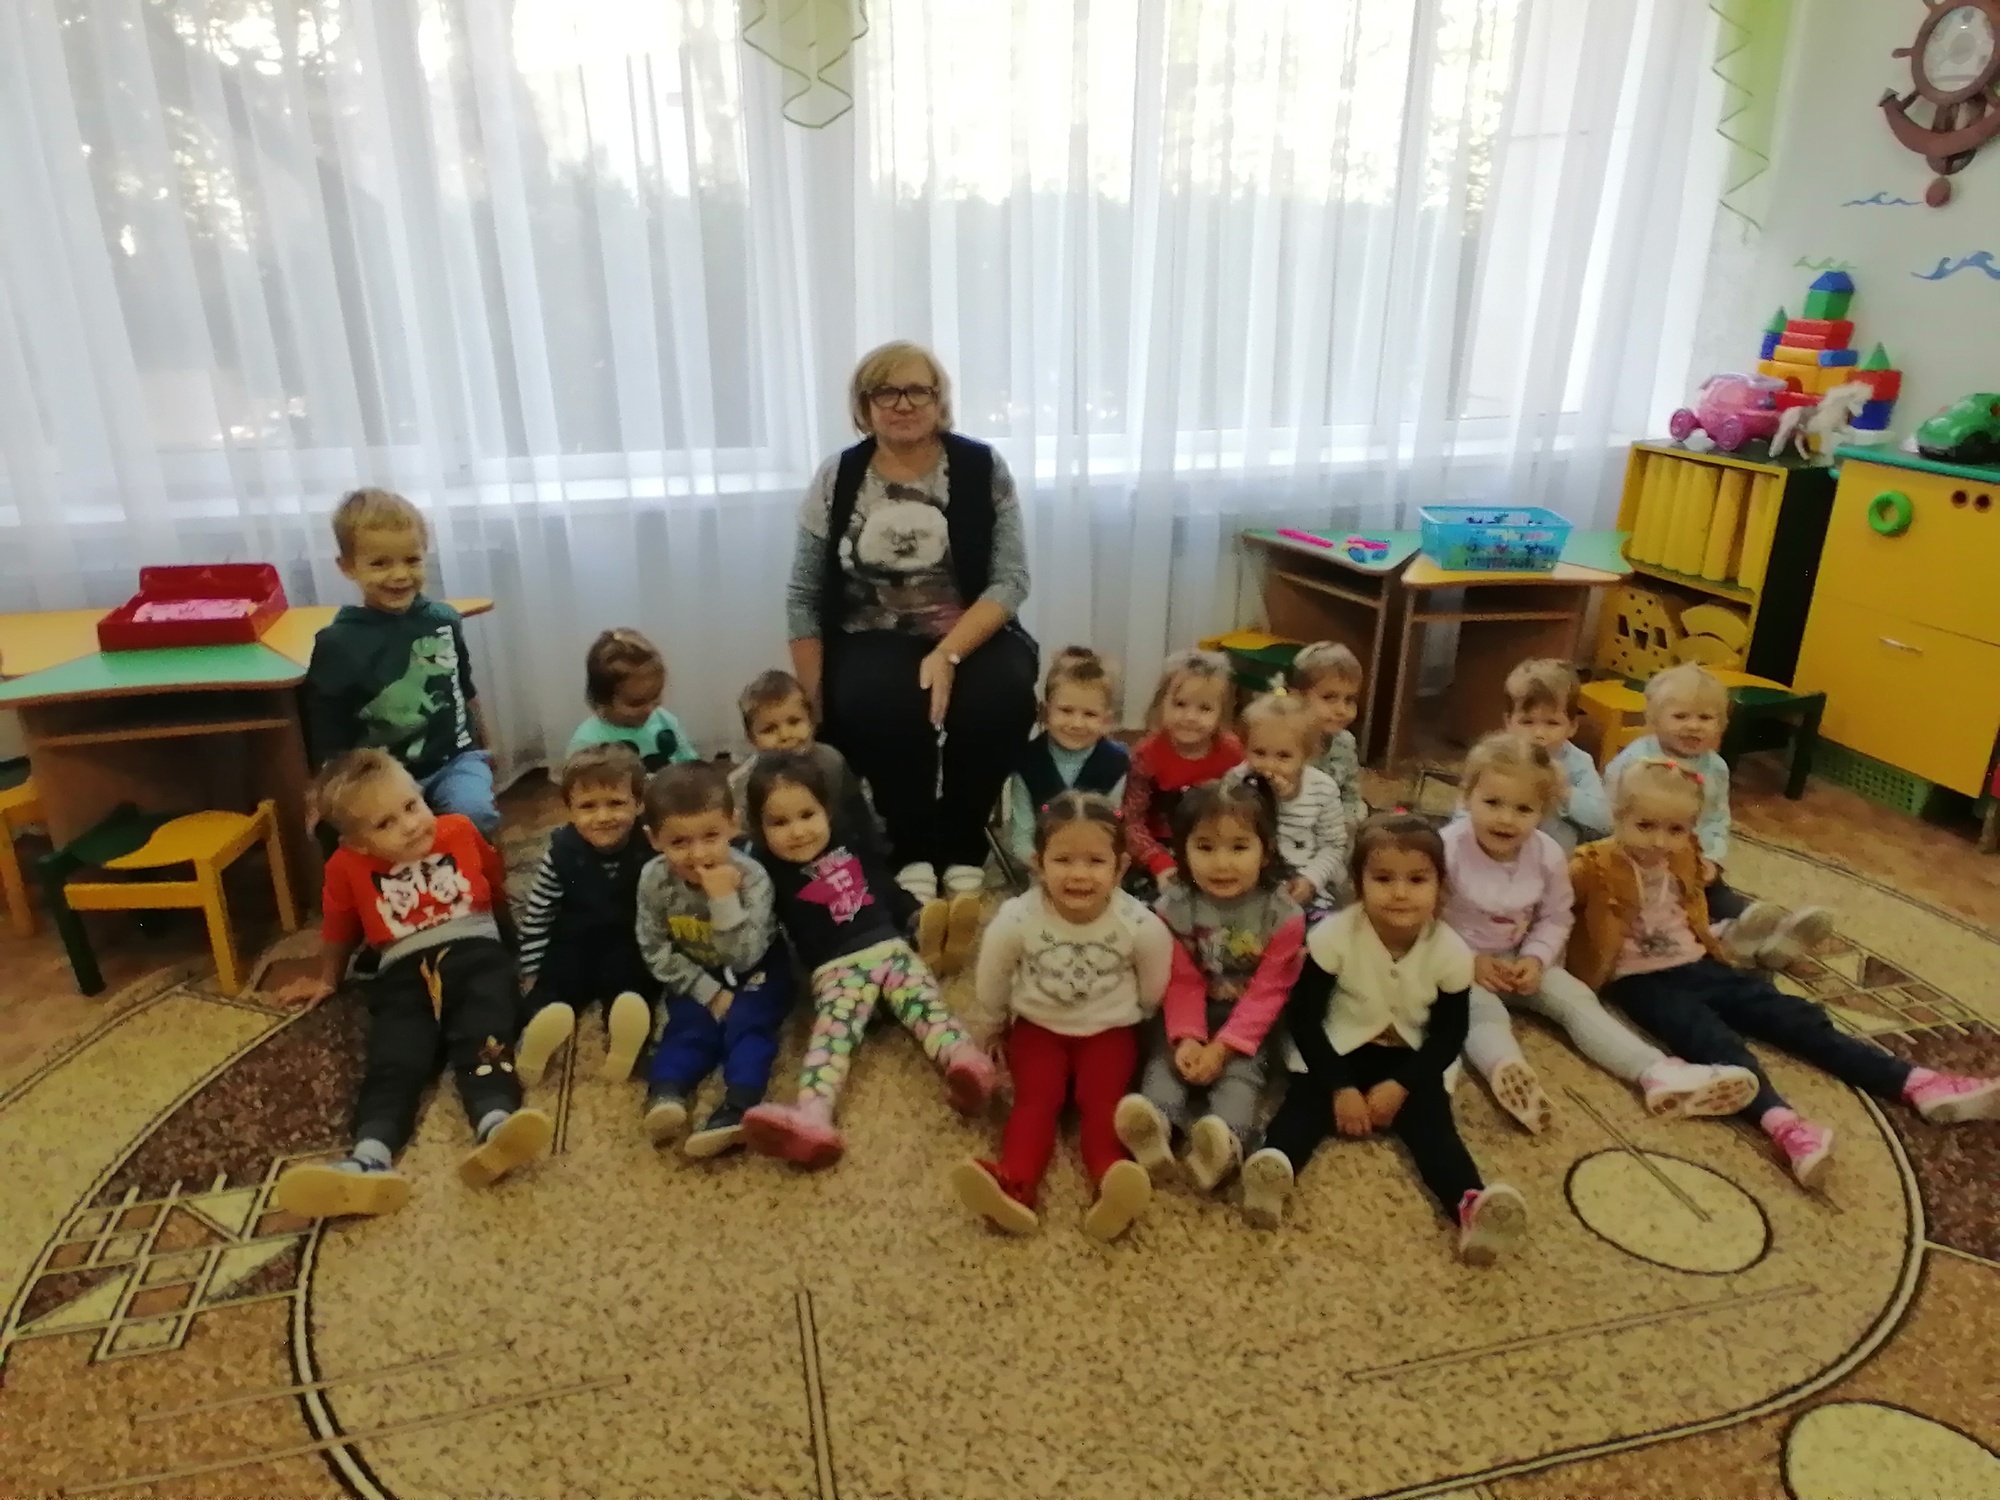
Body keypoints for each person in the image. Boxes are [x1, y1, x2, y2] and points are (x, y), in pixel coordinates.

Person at [1572, 759, 2000, 1187]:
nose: (1659, 841)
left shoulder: (1684, 855)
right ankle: (1785, 1126)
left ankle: (1915, 1082)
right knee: (1712, 1042)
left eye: (1675, 829)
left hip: (1699, 961)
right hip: (1642, 982)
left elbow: (1694, 905)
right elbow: (1554, 909)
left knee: (1794, 1017)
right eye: (1645, 826)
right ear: (1618, 816)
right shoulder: (1591, 864)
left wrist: (1716, 938)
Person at [783, 341, 1038, 909]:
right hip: (868, 632)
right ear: (864, 405)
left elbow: (1011, 580)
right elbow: (803, 595)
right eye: (886, 392)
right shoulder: (837, 476)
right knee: (877, 698)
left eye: (918, 390)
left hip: (968, 626)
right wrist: (813, 701)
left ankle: (963, 838)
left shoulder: (981, 467)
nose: (903, 404)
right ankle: (911, 845)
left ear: (939, 399)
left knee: (1002, 692)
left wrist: (947, 653)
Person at [270, 750, 552, 1219]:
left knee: (485, 1035)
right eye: (385, 824)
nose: (409, 825)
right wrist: (327, 978)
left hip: (477, 954)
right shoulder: (344, 866)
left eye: (411, 805)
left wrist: (514, 947)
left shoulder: (459, 830)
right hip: (402, 971)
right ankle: (368, 1157)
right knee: (395, 1059)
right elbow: (339, 927)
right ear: (357, 843)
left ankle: (495, 1123)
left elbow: (493, 883)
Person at [1246, 815, 1528, 1264]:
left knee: (1435, 1129)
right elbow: (1304, 1019)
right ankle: (1271, 1171)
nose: (1400, 892)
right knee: (1302, 1107)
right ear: (1359, 884)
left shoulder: (1452, 952)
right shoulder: (1334, 936)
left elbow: (1449, 1033)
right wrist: (1340, 1087)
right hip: (1336, 1047)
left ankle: (1470, 1205)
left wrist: (1402, 1085)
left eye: (1417, 880)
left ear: (1440, 886)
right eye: (1383, 879)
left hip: (1410, 1057)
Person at [1444, 733, 1756, 1134]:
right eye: (1492, 803)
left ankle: (1656, 1072)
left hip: (1523, 959)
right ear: (1467, 796)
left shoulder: (1547, 854)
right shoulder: (1447, 849)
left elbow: (1555, 917)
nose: (1506, 818)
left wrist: (1536, 958)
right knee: (1479, 1013)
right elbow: (1424, 920)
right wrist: (1468, 962)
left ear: (1544, 811)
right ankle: (1508, 1071)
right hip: (1460, 964)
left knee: (1578, 1000)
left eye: (1523, 808)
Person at [738, 750, 996, 1168]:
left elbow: (885, 888)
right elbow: (760, 932)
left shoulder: (849, 844)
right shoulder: (765, 871)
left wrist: (917, 913)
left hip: (890, 947)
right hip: (836, 969)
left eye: (807, 815)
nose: (798, 831)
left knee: (927, 1006)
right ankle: (812, 1116)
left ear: (827, 811)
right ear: (758, 827)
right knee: (831, 1037)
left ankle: (965, 1061)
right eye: (778, 823)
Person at [954, 793, 1171, 1241]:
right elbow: (993, 974)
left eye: (1095, 861)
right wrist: (992, 1024)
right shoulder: (1017, 919)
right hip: (1038, 1030)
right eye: (1063, 860)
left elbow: (1154, 982)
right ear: (1038, 863)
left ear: (1121, 867)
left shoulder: (1139, 923)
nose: (1078, 874)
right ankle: (1014, 1184)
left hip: (1110, 1033)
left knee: (1103, 1105)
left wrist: (1144, 1022)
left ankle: (1111, 1182)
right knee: (1035, 1103)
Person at [1114, 776, 1305, 1195]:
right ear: (1181, 851)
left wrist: (1222, 1048)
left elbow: (1268, 992)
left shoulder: (1283, 915)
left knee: (1241, 1079)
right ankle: (1156, 1128)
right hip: (1190, 1009)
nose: (1222, 863)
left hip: (1249, 1021)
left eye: (1238, 847)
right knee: (1163, 1065)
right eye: (1205, 847)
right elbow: (1181, 979)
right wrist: (1187, 1039)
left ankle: (1224, 1143)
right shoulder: (1173, 907)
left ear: (1266, 851)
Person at [1604, 664, 1829, 968]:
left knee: (1719, 894)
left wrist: (1711, 858)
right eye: (1680, 716)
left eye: (1705, 718)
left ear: (1721, 724)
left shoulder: (1715, 767)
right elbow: (1610, 814)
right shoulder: (1634, 762)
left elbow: (1715, 818)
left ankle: (1770, 938)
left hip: (1691, 854)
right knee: (1678, 906)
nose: (1693, 726)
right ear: (1654, 719)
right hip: (1642, 854)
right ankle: (1726, 934)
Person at [305, 488, 499, 839]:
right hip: (380, 779)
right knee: (384, 837)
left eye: (412, 560)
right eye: (380, 563)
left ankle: (476, 874)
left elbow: (465, 689)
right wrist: (323, 789)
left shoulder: (444, 620)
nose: (399, 575)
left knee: (475, 815)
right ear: (347, 567)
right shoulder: (337, 643)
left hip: (454, 761)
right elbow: (326, 728)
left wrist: (485, 745)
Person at [634, 762, 793, 1159]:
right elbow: (654, 948)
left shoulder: (752, 877)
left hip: (757, 967)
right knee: (686, 1025)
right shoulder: (653, 880)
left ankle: (738, 1106)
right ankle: (667, 1094)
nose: (698, 854)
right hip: (695, 969)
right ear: (654, 839)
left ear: (733, 825)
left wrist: (723, 900)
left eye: (710, 836)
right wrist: (707, 992)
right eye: (679, 842)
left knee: (748, 1025)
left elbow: (744, 956)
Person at [512, 745, 658, 1089]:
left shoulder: (651, 846)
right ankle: (533, 1040)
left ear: (639, 804)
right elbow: (538, 914)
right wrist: (531, 969)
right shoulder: (561, 852)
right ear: (569, 811)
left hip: (630, 937)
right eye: (588, 806)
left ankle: (625, 1044)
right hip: (574, 938)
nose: (603, 816)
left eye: (616, 803)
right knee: (555, 981)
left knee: (632, 985)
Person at [1122, 648, 1244, 894]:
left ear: (1221, 714)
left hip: (1215, 844)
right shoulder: (1147, 755)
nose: (1190, 717)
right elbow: (1132, 821)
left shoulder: (1232, 753)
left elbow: (1246, 810)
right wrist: (1158, 862)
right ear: (1161, 704)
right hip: (1159, 850)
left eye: (1204, 708)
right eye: (1179, 704)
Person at [727, 669, 881, 859]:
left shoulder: (831, 761)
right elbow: (744, 840)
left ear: (811, 722)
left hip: (839, 851)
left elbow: (857, 812)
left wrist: (872, 852)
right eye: (769, 729)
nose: (785, 735)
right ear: (751, 738)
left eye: (794, 722)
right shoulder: (743, 781)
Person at [1004, 646, 1129, 868]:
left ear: (1106, 720)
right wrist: (1047, 867)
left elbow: (1114, 831)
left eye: (1090, 714)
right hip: (1043, 864)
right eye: (1066, 711)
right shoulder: (1028, 762)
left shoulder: (1116, 763)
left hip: (1096, 862)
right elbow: (1022, 835)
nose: (1076, 723)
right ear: (1045, 712)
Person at [1225, 693, 1350, 909]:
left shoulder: (1323, 789)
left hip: (1303, 878)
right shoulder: (1236, 779)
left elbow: (1333, 845)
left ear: (1307, 755)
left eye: (1283, 756)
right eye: (1259, 752)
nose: (1269, 765)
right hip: (1248, 877)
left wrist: (1311, 880)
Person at [1499, 658, 1611, 853]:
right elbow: (1466, 807)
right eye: (1527, 722)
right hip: (1500, 843)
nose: (1539, 733)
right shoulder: (1496, 756)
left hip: (1553, 855)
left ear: (1572, 726)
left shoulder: (1578, 763)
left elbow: (1605, 821)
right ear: (1508, 722)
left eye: (1552, 723)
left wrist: (1564, 791)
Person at [567, 628, 702, 770]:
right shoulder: (587, 743)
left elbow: (690, 765)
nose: (650, 708)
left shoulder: (665, 721)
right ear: (602, 700)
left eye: (655, 696)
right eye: (636, 703)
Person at [1288, 641, 1369, 832]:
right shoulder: (1283, 742)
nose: (1342, 710)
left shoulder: (1345, 742)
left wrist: (1347, 821)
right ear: (1297, 697)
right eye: (1329, 698)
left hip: (1332, 830)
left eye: (1349, 700)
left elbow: (1350, 794)